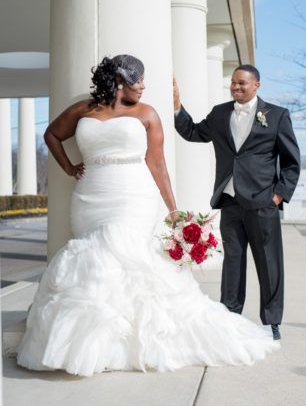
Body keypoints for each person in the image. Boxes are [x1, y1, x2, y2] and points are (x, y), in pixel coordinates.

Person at [17, 56, 279, 377]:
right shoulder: (84, 110)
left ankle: (129, 343)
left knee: (123, 252)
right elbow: (52, 135)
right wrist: (69, 168)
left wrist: (173, 210)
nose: (143, 85)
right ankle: (105, 342)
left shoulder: (147, 113)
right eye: (137, 79)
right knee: (95, 261)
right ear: (119, 81)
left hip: (133, 196)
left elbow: (157, 165)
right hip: (89, 195)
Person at [174, 64, 300, 341]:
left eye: (242, 83)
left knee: (269, 263)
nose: (236, 87)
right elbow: (194, 133)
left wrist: (278, 195)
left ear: (256, 85)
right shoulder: (220, 113)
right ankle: (229, 316)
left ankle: (271, 322)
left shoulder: (277, 116)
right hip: (230, 200)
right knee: (232, 261)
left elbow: (292, 163)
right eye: (233, 83)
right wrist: (176, 108)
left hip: (262, 202)